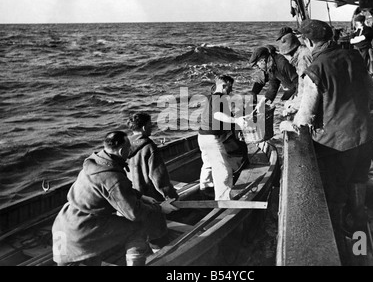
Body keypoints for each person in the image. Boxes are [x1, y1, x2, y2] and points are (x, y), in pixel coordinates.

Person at [279, 19, 373, 264]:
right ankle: (361, 253)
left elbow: (306, 115)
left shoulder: (317, 67)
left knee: (335, 206)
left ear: (309, 41)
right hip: (364, 136)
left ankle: (345, 257)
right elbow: (370, 91)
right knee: (357, 204)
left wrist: (286, 124)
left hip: (336, 145)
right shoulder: (354, 57)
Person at [51, 131, 178, 266]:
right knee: (138, 227)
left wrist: (141, 196)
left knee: (84, 259)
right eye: (129, 147)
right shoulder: (113, 178)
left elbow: (107, 190)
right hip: (84, 230)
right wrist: (160, 208)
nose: (131, 150)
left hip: (62, 226)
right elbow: (134, 213)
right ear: (122, 150)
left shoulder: (95, 163)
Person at [126, 112, 179, 253]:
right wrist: (171, 196)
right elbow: (158, 177)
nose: (152, 127)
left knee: (139, 233)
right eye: (150, 125)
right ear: (144, 128)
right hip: (149, 197)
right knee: (157, 235)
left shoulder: (124, 145)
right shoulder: (149, 147)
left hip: (132, 197)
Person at [198, 75, 245, 200]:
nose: (231, 91)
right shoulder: (219, 97)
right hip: (212, 139)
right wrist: (237, 121)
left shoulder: (211, 97)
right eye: (230, 88)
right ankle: (223, 201)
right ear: (224, 86)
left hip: (202, 137)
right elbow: (218, 115)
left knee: (208, 163)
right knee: (224, 170)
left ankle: (205, 189)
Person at [277, 26, 313, 118]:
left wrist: (292, 108)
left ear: (290, 53)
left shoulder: (302, 60)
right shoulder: (303, 53)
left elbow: (305, 90)